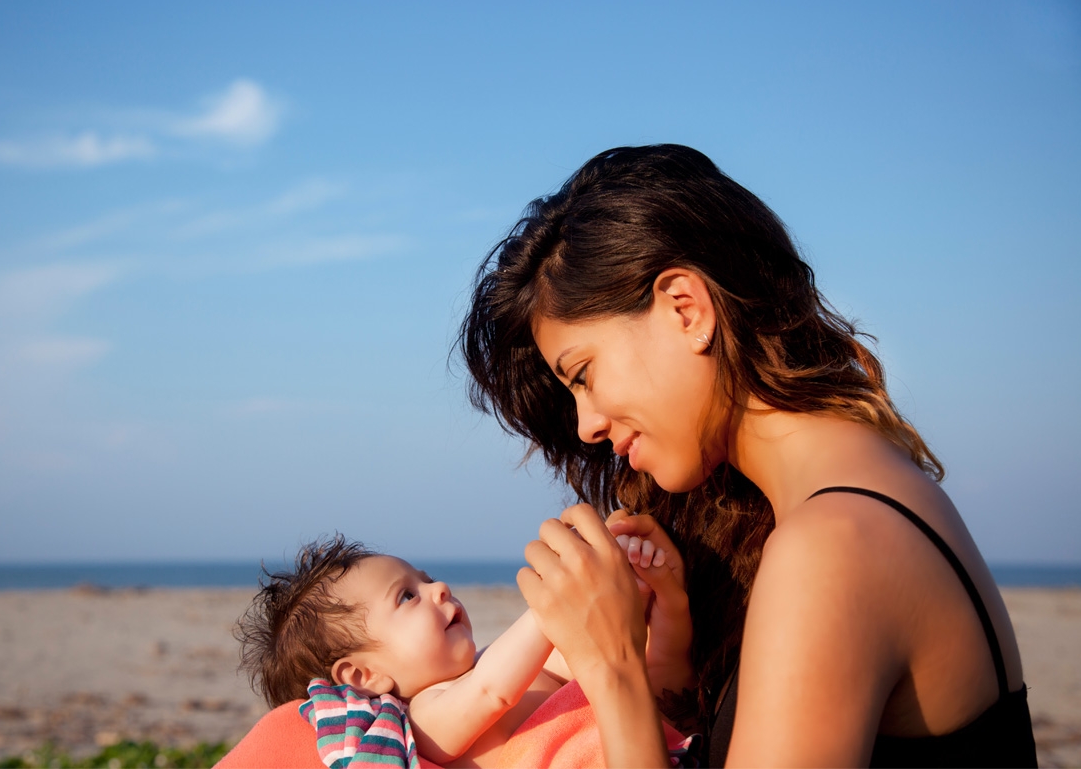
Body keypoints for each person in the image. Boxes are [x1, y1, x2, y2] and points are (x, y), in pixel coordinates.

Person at [460, 144, 1037, 767]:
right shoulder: (857, 499)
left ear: (687, 309)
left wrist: (614, 667)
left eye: (583, 374)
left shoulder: (833, 546)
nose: (588, 425)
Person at [233, 534, 690, 768]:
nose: (438, 589)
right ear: (363, 676)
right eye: (407, 596)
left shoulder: (508, 664)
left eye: (427, 579)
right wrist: (559, 597)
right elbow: (493, 690)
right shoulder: (421, 719)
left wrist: (641, 587)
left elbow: (623, 658)